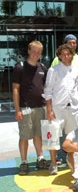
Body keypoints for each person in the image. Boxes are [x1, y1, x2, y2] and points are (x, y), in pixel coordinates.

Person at [44, 44, 78, 175]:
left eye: (68, 54)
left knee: (72, 137)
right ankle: (53, 163)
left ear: (72, 55)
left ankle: (72, 162)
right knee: (54, 136)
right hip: (57, 108)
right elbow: (48, 91)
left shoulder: (76, 70)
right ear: (59, 56)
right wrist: (49, 110)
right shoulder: (53, 70)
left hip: (73, 108)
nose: (66, 56)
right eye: (63, 54)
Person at [12, 40, 49, 175]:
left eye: (38, 52)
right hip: (25, 108)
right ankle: (24, 162)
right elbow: (15, 89)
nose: (36, 54)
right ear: (28, 51)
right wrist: (17, 109)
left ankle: (40, 158)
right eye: (33, 51)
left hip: (40, 108)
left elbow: (46, 88)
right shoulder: (20, 67)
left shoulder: (43, 68)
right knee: (24, 136)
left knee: (38, 135)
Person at [51, 34, 78, 107]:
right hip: (59, 100)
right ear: (65, 44)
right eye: (69, 43)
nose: (72, 45)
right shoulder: (56, 60)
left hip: (76, 99)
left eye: (74, 43)